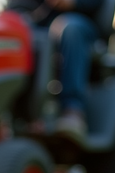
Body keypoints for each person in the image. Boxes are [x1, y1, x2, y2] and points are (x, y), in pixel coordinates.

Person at [8, 0, 103, 137]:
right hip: (42, 23)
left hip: (80, 22)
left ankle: (72, 110)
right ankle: (19, 114)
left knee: (69, 28)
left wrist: (73, 3)